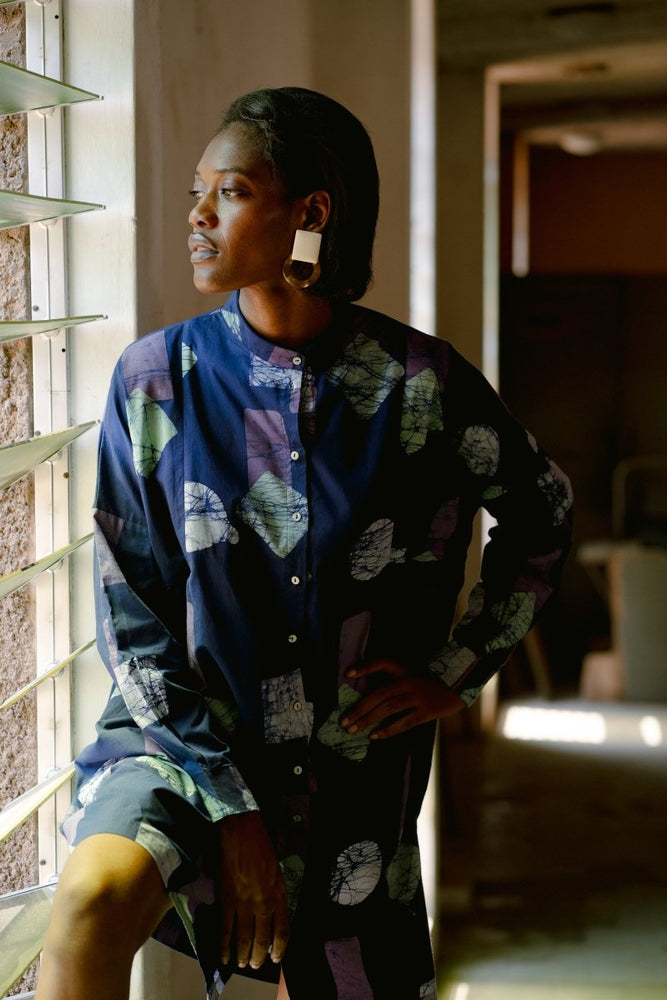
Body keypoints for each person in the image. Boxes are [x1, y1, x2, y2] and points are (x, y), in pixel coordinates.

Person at [35, 87, 572, 1000]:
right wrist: (233, 810)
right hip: (182, 738)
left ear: (308, 215)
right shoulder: (155, 380)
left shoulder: (419, 388)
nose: (197, 215)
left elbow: (540, 512)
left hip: (348, 754)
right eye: (197, 189)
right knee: (88, 905)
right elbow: (131, 611)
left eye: (230, 191)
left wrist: (455, 669)